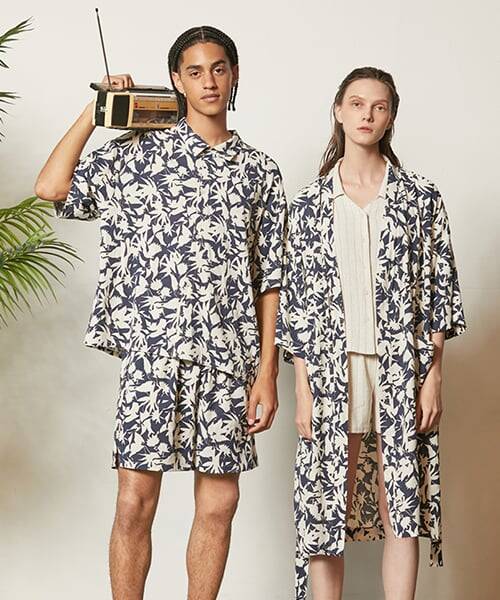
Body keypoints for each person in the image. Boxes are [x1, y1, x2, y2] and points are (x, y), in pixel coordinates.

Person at [35, 25, 285, 600]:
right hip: (153, 353)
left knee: (220, 503)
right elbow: (51, 187)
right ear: (176, 80)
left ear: (235, 75)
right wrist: (97, 110)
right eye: (195, 71)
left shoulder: (260, 171)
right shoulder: (138, 153)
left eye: (218, 69)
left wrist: (267, 371)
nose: (208, 82)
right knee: (134, 501)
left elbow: (270, 279)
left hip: (228, 357)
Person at [275, 66, 466, 600]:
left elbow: (439, 291)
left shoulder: (421, 198)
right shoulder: (307, 206)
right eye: (357, 104)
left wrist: (433, 377)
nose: (367, 115)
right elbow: (297, 305)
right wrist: (304, 388)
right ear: (339, 111)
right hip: (330, 369)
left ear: (390, 118)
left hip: (402, 365)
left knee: (399, 502)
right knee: (325, 503)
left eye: (379, 106)